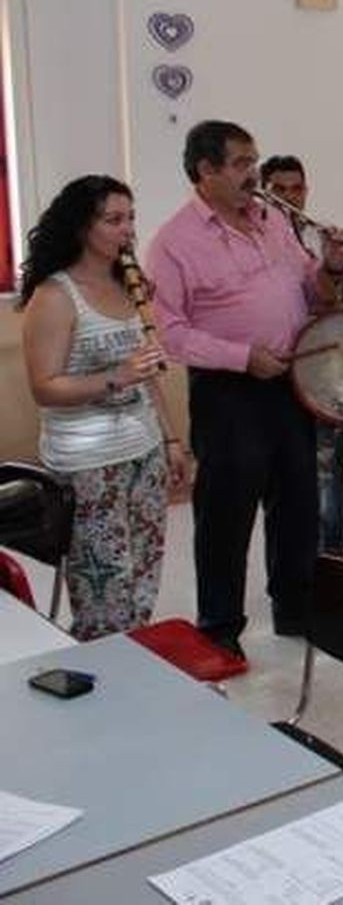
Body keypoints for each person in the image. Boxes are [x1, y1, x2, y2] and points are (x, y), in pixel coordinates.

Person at [146, 120, 343, 658]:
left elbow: (311, 290)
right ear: (205, 171)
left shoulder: (273, 220)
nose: (253, 174)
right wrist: (242, 358)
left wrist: (331, 266)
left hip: (290, 383)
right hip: (228, 393)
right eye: (241, 163)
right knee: (226, 515)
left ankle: (294, 608)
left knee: (297, 503)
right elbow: (169, 333)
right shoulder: (173, 242)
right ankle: (220, 628)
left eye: (253, 161)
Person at [17, 175, 192, 639]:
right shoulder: (55, 295)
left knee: (141, 580)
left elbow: (147, 374)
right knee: (104, 592)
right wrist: (116, 376)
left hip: (143, 452)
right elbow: (44, 388)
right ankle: (104, 666)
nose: (128, 230)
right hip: (87, 464)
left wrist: (171, 439)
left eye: (131, 218)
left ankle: (134, 659)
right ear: (82, 227)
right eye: (114, 220)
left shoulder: (128, 285)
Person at [260, 154, 343, 551]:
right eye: (278, 190)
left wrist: (337, 268)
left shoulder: (321, 242)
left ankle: (332, 552)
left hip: (324, 371)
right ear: (262, 193)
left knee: (329, 464)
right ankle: (301, 551)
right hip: (278, 374)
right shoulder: (257, 243)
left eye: (296, 189)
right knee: (287, 472)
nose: (289, 197)